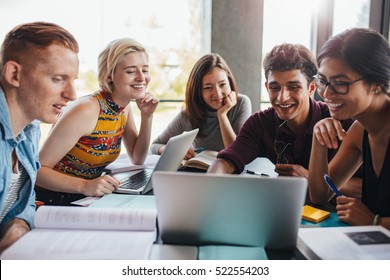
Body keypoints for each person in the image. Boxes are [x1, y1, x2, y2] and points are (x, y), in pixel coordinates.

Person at [208, 43, 361, 199]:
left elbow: (364, 188)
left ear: (311, 88)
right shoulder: (259, 123)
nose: (282, 97)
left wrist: (309, 177)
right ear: (267, 87)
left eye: (293, 87)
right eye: (275, 88)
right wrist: (210, 190)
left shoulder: (342, 120)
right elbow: (225, 162)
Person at [35, 38, 159, 205]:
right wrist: (85, 185)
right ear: (110, 75)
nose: (141, 78)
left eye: (144, 70)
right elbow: (38, 171)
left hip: (85, 197)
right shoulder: (86, 110)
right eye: (130, 71)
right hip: (54, 199)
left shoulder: (124, 107)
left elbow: (138, 158)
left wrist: (147, 116)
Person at [0, 22, 79, 253]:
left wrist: (19, 223)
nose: (72, 94)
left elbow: (24, 200)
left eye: (72, 80)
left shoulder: (30, 127)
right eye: (57, 79)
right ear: (14, 74)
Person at [308, 28, 390, 230]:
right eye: (323, 81)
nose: (326, 94)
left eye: (340, 83)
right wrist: (318, 139)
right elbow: (319, 194)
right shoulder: (359, 131)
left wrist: (374, 222)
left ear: (377, 83)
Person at [150, 53, 251, 159]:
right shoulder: (189, 115)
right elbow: (155, 146)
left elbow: (236, 152)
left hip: (232, 174)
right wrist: (172, 150)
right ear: (198, 91)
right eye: (208, 87)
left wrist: (222, 115)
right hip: (200, 173)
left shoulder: (241, 103)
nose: (217, 93)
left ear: (229, 83)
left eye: (222, 84)